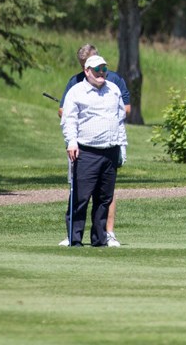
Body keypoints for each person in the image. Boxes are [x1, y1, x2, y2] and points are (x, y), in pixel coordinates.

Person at [58, 44, 130, 247]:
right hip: (85, 150)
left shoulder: (113, 90)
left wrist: (122, 147)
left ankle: (100, 239)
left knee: (104, 198)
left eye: (104, 69)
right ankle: (74, 238)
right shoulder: (76, 91)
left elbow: (119, 120)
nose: (101, 73)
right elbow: (69, 120)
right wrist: (71, 142)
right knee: (80, 197)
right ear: (86, 71)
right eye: (97, 69)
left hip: (110, 150)